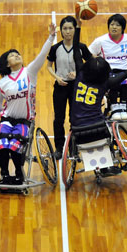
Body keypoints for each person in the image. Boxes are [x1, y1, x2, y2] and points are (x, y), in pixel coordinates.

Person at [70, 14, 127, 174]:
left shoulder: (80, 76)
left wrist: (78, 27)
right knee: (111, 132)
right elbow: (125, 74)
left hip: (77, 126)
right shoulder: (105, 83)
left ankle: (99, 164)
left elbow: (75, 52)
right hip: (97, 126)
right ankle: (111, 162)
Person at [0, 22, 57, 184]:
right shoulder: (3, 82)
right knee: (2, 145)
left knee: (14, 146)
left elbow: (42, 56)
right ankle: (5, 174)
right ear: (7, 64)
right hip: (7, 119)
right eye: (12, 55)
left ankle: (19, 174)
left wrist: (50, 37)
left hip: (24, 121)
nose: (17, 55)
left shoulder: (29, 72)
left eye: (17, 54)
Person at [47, 15, 92, 159]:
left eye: (70, 28)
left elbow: (91, 65)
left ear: (75, 29)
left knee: (75, 117)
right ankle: (59, 148)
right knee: (58, 119)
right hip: (60, 86)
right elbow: (48, 66)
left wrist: (79, 72)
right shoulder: (55, 48)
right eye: (65, 28)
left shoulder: (81, 47)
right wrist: (57, 77)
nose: (67, 31)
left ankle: (74, 147)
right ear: (61, 31)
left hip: (76, 87)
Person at [88, 13, 127, 119]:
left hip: (125, 70)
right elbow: (89, 53)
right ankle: (114, 106)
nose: (114, 27)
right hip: (108, 71)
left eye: (117, 25)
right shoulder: (100, 41)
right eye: (112, 24)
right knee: (113, 84)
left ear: (122, 28)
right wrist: (99, 64)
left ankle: (123, 106)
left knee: (125, 84)